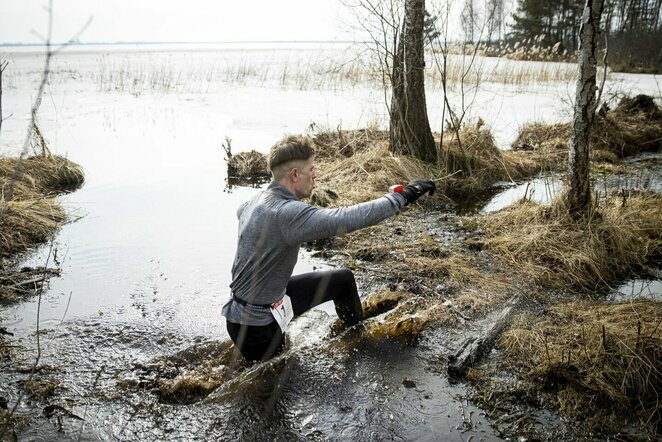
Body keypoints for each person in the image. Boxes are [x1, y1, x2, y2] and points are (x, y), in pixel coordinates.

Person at [221, 135, 436, 363]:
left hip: (254, 308)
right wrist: (404, 196)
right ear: (294, 175)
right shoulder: (287, 213)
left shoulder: (254, 201)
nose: (316, 175)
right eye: (311, 169)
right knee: (275, 380)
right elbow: (345, 218)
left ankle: (356, 339)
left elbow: (240, 214)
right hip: (257, 327)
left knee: (342, 280)